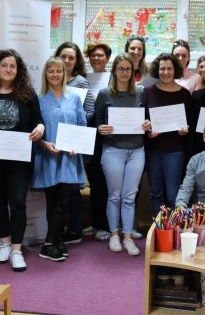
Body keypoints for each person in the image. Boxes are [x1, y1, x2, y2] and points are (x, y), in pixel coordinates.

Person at [0, 49, 45, 272]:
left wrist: (40, 128)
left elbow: (39, 121)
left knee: (17, 202)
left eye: (12, 66)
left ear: (18, 70)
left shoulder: (28, 94)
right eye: (4, 65)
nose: (8, 69)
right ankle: (4, 244)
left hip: (19, 159)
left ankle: (16, 250)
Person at [95, 54, 151, 256]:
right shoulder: (104, 94)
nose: (125, 72)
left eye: (128, 69)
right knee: (115, 195)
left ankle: (127, 237)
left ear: (133, 72)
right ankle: (114, 235)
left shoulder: (141, 93)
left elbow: (147, 119)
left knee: (129, 196)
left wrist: (147, 124)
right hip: (113, 150)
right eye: (121, 69)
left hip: (136, 150)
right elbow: (97, 121)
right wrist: (100, 128)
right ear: (115, 71)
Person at [32, 57, 87, 262]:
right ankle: (55, 240)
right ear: (45, 74)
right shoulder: (38, 100)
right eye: (51, 71)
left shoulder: (74, 98)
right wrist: (45, 144)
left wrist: (77, 146)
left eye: (59, 71)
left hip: (69, 158)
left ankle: (48, 243)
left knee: (63, 201)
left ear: (64, 74)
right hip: (48, 156)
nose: (55, 74)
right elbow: (34, 131)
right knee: (52, 201)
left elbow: (82, 125)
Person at [144, 53, 197, 216]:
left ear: (175, 70)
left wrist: (185, 130)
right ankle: (159, 228)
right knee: (156, 194)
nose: (166, 72)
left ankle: (175, 229)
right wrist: (148, 132)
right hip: (153, 150)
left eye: (169, 68)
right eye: (162, 69)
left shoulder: (185, 94)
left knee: (173, 195)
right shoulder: (147, 92)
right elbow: (142, 122)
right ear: (156, 70)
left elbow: (191, 123)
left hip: (175, 151)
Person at [55, 42, 94, 244]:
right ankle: (57, 228)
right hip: (54, 140)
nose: (67, 60)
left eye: (71, 57)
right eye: (63, 56)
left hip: (73, 141)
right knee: (57, 186)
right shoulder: (52, 77)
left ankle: (75, 230)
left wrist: (71, 120)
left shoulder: (80, 82)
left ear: (76, 61)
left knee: (72, 187)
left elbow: (90, 112)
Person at [82, 42, 112, 241]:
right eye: (93, 55)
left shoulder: (113, 78)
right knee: (93, 180)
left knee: (104, 182)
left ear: (107, 58)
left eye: (100, 55)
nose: (96, 58)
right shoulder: (84, 78)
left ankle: (105, 225)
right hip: (86, 134)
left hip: (105, 135)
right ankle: (95, 223)